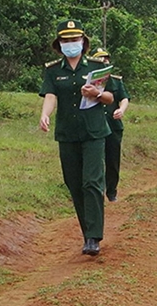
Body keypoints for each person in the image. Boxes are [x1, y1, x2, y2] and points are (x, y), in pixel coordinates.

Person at [39, 20, 114, 257]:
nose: (71, 44)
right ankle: (86, 232)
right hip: (67, 133)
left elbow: (110, 97)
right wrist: (44, 114)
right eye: (66, 40)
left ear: (83, 42)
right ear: (59, 44)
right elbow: (50, 95)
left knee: (91, 182)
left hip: (93, 132)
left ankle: (93, 237)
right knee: (74, 183)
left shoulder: (96, 66)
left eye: (75, 39)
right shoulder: (53, 70)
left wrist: (97, 93)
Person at [90, 48, 130, 203]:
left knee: (112, 160)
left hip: (113, 126)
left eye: (106, 59)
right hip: (94, 126)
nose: (104, 62)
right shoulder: (89, 81)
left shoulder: (115, 80)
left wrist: (121, 109)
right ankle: (96, 190)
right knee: (94, 160)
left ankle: (111, 191)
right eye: (100, 59)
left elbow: (124, 98)